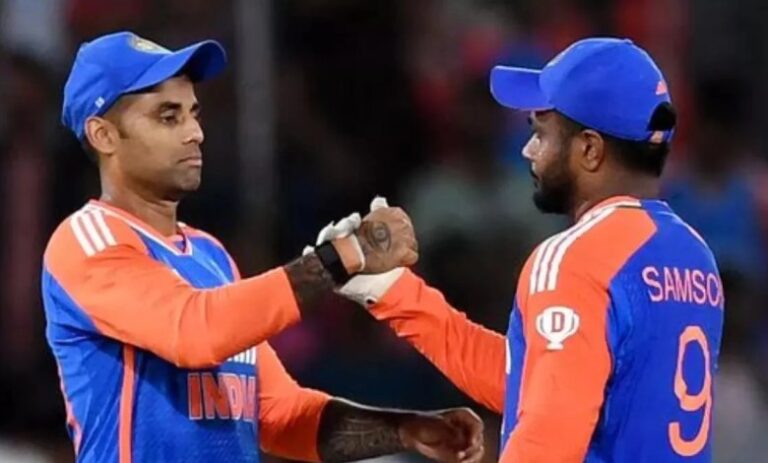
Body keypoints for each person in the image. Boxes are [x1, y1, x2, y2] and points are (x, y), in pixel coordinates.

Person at [42, 31, 485, 463]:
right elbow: (194, 332)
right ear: (103, 135)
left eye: (194, 113)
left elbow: (279, 414)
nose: (195, 132)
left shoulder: (210, 255)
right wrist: (346, 255)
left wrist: (406, 429)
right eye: (168, 117)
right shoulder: (87, 241)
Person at [329, 38, 724, 462]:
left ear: (590, 149)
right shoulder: (694, 254)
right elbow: (538, 383)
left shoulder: (576, 257)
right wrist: (393, 292)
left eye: (540, 133)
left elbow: (547, 440)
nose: (527, 149)